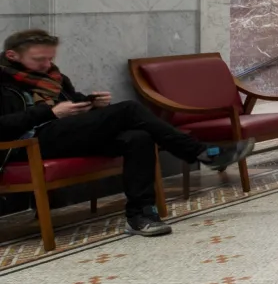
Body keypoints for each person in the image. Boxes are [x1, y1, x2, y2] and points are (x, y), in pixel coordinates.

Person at [0, 29, 254, 237]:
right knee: (130, 110)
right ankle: (199, 151)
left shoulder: (54, 76)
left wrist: (91, 104)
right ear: (12, 55)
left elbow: (71, 104)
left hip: (65, 134)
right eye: (39, 60)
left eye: (50, 59)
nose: (47, 65)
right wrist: (50, 113)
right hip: (27, 144)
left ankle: (140, 215)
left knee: (137, 137)